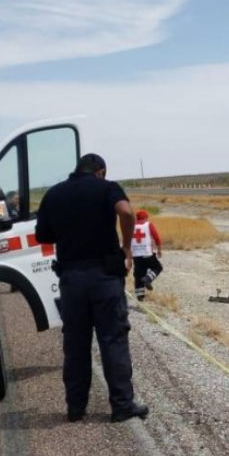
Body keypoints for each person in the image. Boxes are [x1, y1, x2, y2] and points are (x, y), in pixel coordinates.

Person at [35, 153, 149, 423]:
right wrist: (126, 248)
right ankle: (122, 405)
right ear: (100, 172)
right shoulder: (108, 188)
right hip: (105, 278)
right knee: (113, 340)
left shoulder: (54, 194)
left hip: (72, 279)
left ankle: (76, 408)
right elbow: (126, 211)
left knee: (75, 345)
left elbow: (43, 235)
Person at [132, 209, 164, 301]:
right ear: (146, 217)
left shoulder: (131, 226)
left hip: (136, 256)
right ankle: (148, 279)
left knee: (138, 275)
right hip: (147, 254)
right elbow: (156, 238)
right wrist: (159, 250)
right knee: (157, 268)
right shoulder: (148, 225)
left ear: (136, 218)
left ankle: (140, 298)